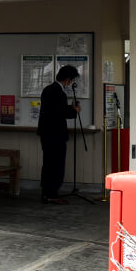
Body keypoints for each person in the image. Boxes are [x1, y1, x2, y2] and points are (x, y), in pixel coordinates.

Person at [37, 65, 81, 204]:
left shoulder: (48, 89)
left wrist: (69, 108)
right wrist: (75, 110)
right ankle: (52, 194)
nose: (71, 83)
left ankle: (47, 192)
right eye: (71, 79)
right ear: (68, 79)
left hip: (46, 133)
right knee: (56, 165)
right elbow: (61, 113)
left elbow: (54, 110)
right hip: (56, 135)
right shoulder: (59, 92)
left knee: (48, 164)